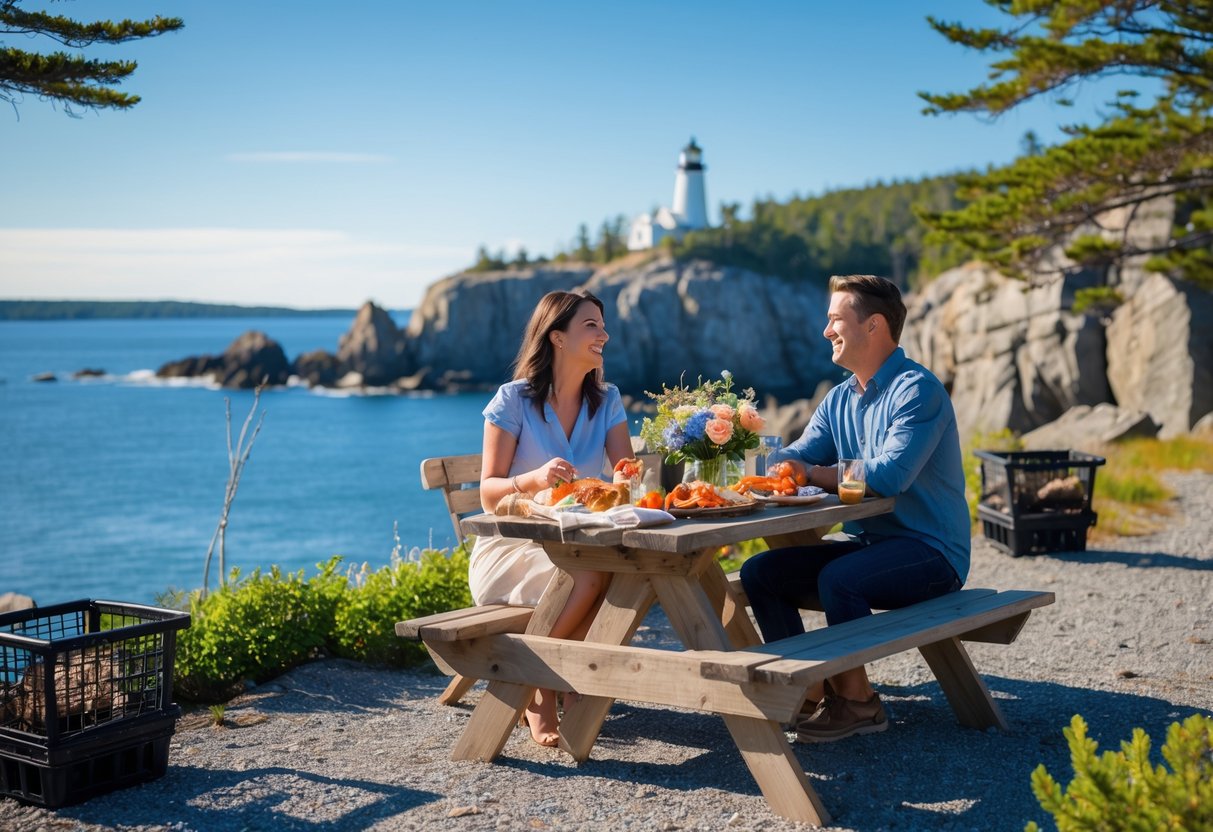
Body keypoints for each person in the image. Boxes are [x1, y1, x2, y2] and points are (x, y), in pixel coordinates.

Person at [740, 274, 970, 742]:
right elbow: (800, 453)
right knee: (760, 572)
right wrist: (775, 459)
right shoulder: (840, 398)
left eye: (835, 319)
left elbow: (888, 476)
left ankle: (859, 704)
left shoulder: (916, 391)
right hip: (872, 543)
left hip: (931, 551)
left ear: (874, 326)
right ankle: (806, 688)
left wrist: (812, 474)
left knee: (839, 579)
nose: (826, 330)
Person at [471, 289, 634, 747]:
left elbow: (625, 479)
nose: (604, 334)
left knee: (623, 578)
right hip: (514, 546)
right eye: (591, 326)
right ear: (557, 337)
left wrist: (624, 477)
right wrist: (534, 479)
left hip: (579, 542)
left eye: (602, 325)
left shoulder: (608, 400)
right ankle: (544, 688)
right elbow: (487, 494)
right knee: (589, 577)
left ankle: (547, 680)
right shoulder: (513, 400)